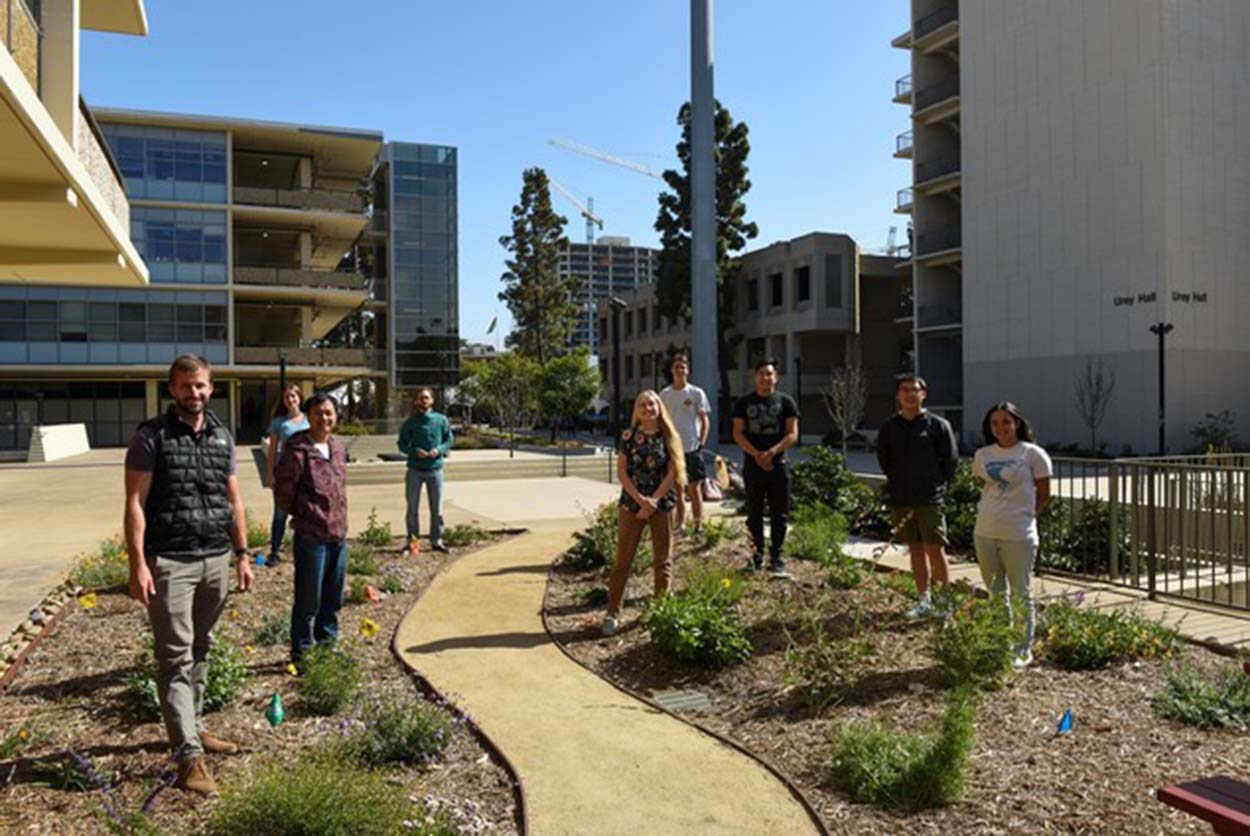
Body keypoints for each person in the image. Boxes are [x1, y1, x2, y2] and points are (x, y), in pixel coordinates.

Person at [123, 355, 254, 797]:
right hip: (171, 563)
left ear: (210, 387)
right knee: (175, 658)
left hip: (216, 558)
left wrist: (242, 553)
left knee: (202, 647)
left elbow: (233, 500)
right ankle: (188, 758)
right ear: (172, 389)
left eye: (199, 386)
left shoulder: (222, 436)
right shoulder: (151, 437)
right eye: (184, 386)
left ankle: (193, 730)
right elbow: (135, 503)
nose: (193, 393)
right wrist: (137, 562)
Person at [971, 402, 1052, 668]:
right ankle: (1000, 642)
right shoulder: (983, 455)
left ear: (1017, 423)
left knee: (1020, 593)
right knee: (995, 593)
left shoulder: (1032, 454)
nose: (1001, 427)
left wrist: (1028, 516)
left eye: (1006, 421)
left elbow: (1044, 492)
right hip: (985, 531)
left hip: (1018, 535)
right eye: (994, 423)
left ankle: (1022, 647)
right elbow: (987, 488)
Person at [602, 390, 687, 637]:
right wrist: (641, 501)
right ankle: (612, 613)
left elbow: (673, 473)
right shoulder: (628, 437)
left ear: (659, 407)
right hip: (632, 505)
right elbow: (622, 473)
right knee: (622, 561)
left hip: (662, 504)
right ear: (636, 411)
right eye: (642, 405)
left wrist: (654, 501)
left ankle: (661, 610)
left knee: (663, 561)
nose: (648, 408)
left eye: (652, 404)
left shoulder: (669, 436)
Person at [876, 374, 959, 618]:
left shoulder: (937, 425)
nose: (910, 394)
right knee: (915, 551)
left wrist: (937, 486)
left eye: (915, 389)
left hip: (930, 499)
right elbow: (885, 460)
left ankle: (944, 603)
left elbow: (950, 462)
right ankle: (924, 601)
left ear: (924, 394)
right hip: (902, 498)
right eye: (904, 389)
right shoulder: (889, 427)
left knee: (935, 550)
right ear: (898, 395)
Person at [275, 392, 349, 663]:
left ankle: (327, 646)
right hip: (312, 537)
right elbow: (284, 491)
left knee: (333, 597)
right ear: (308, 416)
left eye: (329, 413)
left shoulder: (338, 447)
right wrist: (304, 514)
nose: (324, 419)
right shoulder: (298, 449)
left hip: (338, 535)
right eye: (318, 413)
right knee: (308, 599)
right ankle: (302, 652)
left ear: (336, 416)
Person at [732, 359, 800, 578]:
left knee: (779, 513)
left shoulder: (786, 402)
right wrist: (756, 454)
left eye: (769, 374)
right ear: (755, 377)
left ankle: (777, 557)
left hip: (778, 465)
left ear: (776, 377)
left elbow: (792, 434)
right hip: (753, 466)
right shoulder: (744, 403)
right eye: (761, 374)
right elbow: (737, 433)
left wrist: (772, 453)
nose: (765, 378)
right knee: (754, 512)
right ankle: (756, 555)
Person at [659, 353, 711, 534]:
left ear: (688, 370)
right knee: (677, 490)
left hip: (692, 448)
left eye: (683, 367)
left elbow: (704, 420)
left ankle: (698, 525)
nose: (680, 370)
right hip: (673, 450)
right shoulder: (664, 395)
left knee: (695, 489)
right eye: (677, 367)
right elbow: (661, 421)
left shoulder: (696, 393)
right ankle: (679, 525)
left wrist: (701, 444)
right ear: (671, 371)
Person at [398, 388, 454, 554]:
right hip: (414, 470)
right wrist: (415, 451)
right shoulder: (410, 423)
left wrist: (440, 449)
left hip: (435, 470)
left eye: (426, 398)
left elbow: (449, 439)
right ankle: (413, 542)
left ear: (432, 401)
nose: (423, 400)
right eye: (421, 398)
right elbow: (401, 444)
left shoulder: (441, 420)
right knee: (412, 508)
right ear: (416, 401)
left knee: (436, 508)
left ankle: (437, 540)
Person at [262, 383, 307, 566]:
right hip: (284, 474)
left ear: (299, 398)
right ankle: (274, 551)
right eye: (287, 397)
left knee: (304, 514)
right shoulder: (278, 422)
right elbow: (272, 450)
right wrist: (270, 474)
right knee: (280, 514)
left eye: (293, 396)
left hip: (305, 474)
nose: (291, 400)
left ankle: (302, 551)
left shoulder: (309, 419)